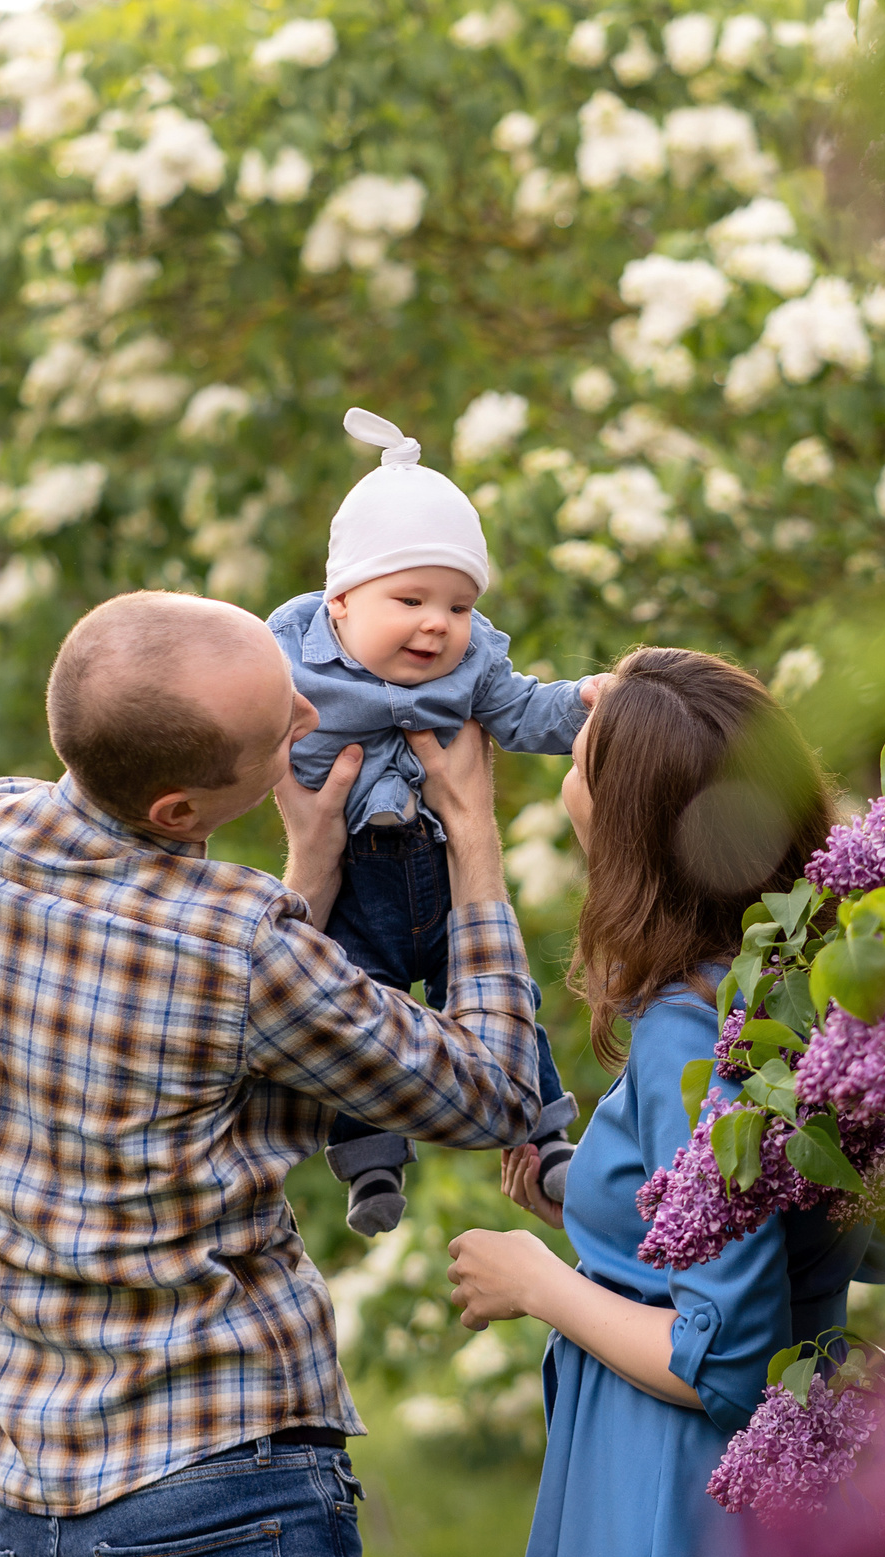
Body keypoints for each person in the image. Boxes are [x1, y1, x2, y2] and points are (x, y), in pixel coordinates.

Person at [0, 589, 542, 1557]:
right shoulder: (241, 944)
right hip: (226, 1512)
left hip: (36, 1527)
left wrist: (309, 864)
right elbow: (488, 1091)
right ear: (176, 810)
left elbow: (191, 1049)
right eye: (280, 726)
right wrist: (475, 839)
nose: (311, 706)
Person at [445, 647, 885, 1557]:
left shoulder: (686, 1035)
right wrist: (584, 1192)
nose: (563, 772)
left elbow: (725, 1363)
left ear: (623, 827)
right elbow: (872, 1241)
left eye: (576, 762)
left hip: (682, 1504)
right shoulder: (812, 984)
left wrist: (537, 1281)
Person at [273, 406, 609, 1236]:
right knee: (355, 1004)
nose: (438, 623)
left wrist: (587, 704)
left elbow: (526, 710)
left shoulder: (476, 663)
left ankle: (547, 1134)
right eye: (412, 598)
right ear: (340, 602)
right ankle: (369, 1160)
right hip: (358, 880)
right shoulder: (290, 658)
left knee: (505, 994)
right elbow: (237, 733)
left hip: (441, 868)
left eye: (458, 606)